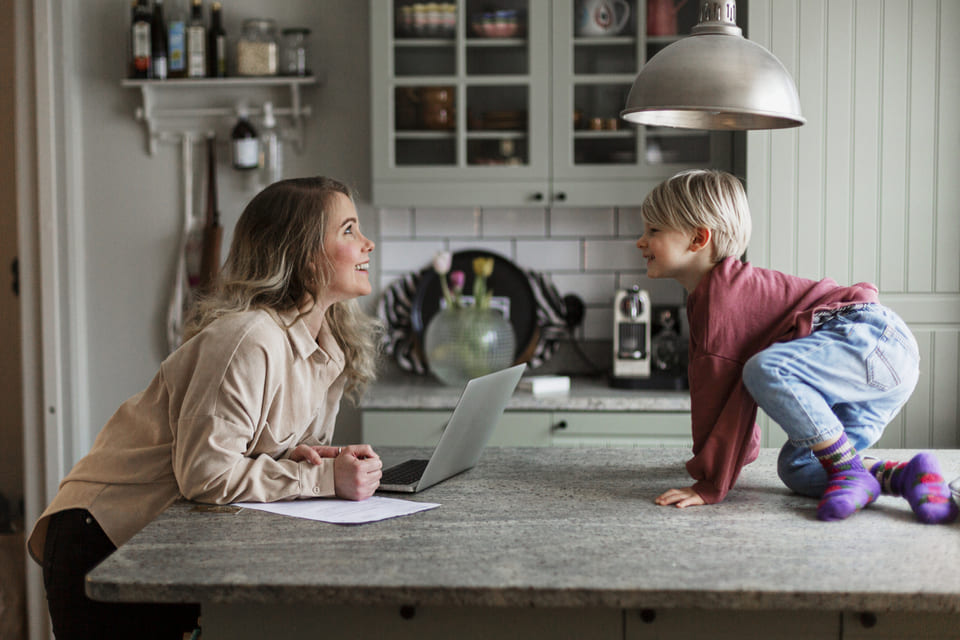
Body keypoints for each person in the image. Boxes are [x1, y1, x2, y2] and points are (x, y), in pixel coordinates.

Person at [27, 176, 385, 639]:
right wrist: (321, 478)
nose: (367, 244)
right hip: (103, 538)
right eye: (350, 230)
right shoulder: (249, 339)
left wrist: (303, 459)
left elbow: (256, 451)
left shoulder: (325, 347)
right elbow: (206, 474)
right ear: (304, 254)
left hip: (162, 544)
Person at [637, 169, 957, 525]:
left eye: (653, 231)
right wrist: (728, 459)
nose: (641, 241)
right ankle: (907, 475)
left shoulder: (721, 298)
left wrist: (711, 484)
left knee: (765, 368)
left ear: (698, 238)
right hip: (883, 361)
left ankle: (849, 470)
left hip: (869, 337)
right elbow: (721, 394)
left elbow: (718, 395)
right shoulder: (708, 298)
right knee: (799, 469)